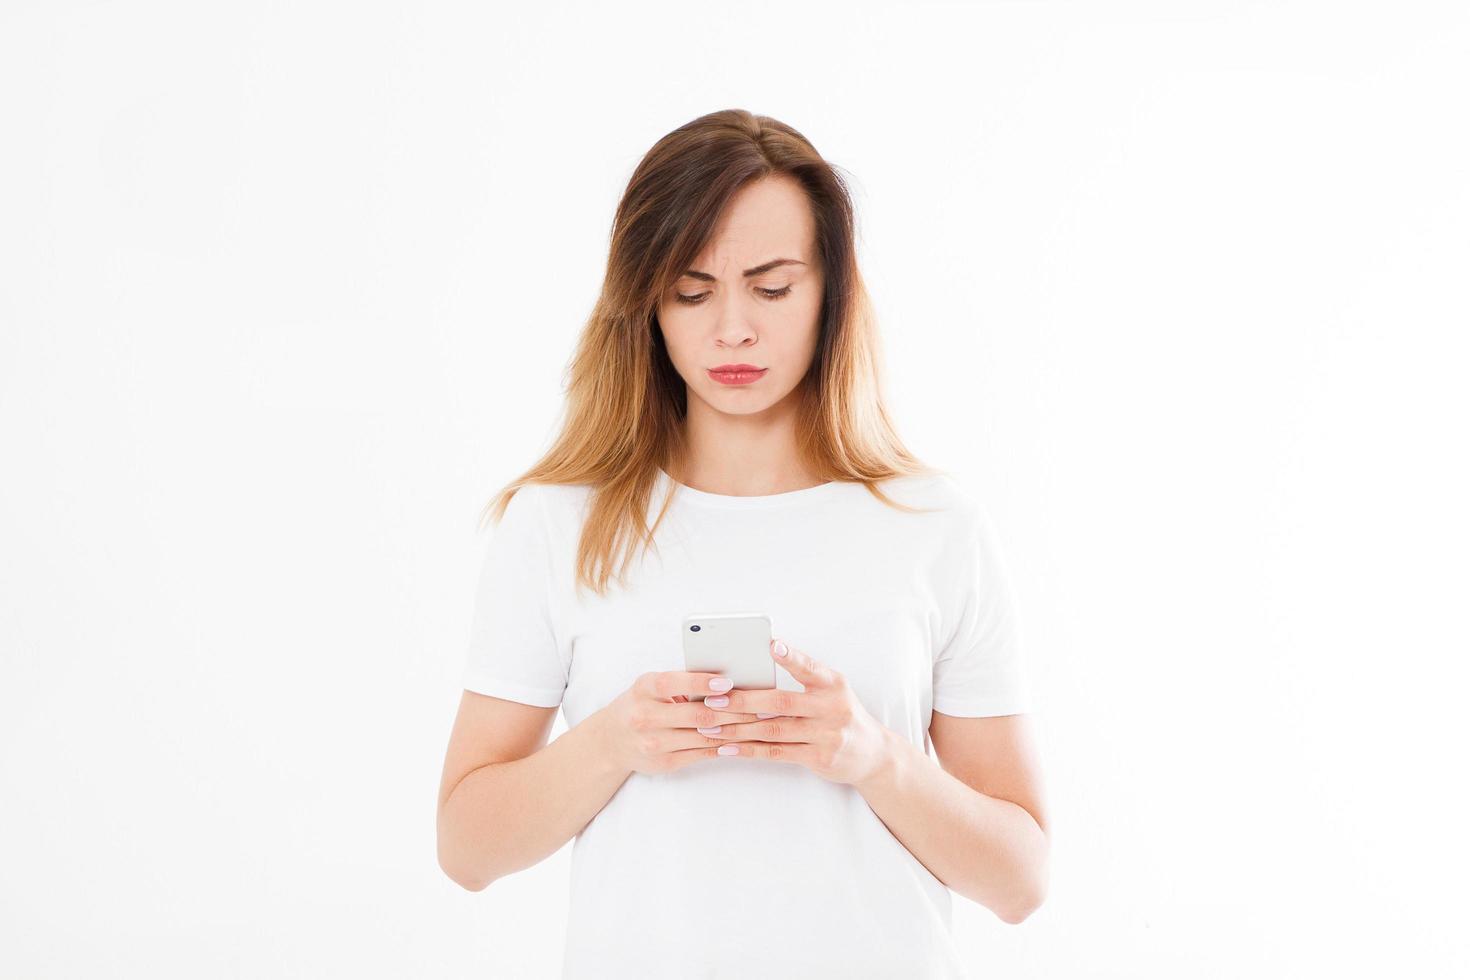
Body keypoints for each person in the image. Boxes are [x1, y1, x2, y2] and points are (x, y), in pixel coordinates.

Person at [436, 108, 1050, 980]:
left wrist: (874, 759)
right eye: (692, 291)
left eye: (771, 288)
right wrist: (614, 743)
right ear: (645, 302)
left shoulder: (933, 528)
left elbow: (1022, 880)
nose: (732, 329)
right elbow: (466, 848)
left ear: (830, 293)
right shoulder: (557, 524)